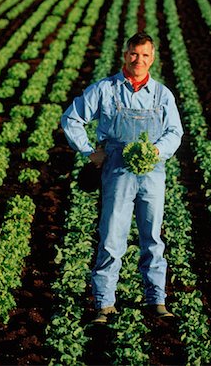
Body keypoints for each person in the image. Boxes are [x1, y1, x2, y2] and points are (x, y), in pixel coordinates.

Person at [61, 32, 183, 323]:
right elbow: (71, 118)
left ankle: (157, 300)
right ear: (125, 54)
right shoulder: (105, 89)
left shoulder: (162, 94)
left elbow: (175, 132)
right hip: (117, 169)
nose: (138, 60)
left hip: (152, 171)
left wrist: (156, 150)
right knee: (112, 236)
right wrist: (90, 152)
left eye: (144, 55)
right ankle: (104, 303)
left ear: (152, 58)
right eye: (133, 54)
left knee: (152, 237)